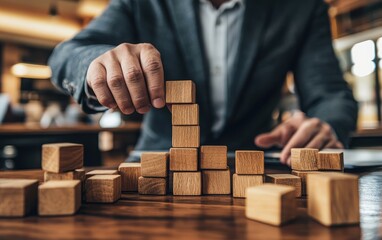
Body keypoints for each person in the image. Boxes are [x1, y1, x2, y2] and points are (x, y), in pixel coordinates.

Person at [49, 0, 358, 165]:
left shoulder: (302, 7)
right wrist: (97, 64)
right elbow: (65, 55)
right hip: (156, 164)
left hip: (250, 167)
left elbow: (330, 94)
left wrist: (326, 124)